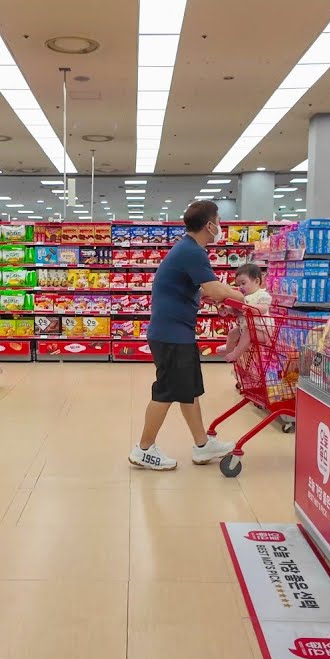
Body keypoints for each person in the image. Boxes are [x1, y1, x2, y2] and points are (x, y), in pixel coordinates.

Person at [130, 200, 246, 471]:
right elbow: (216, 290)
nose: (220, 227)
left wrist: (202, 295)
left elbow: (198, 289)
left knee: (188, 391)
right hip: (171, 334)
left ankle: (202, 445)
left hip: (175, 331)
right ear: (209, 225)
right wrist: (239, 294)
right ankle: (143, 450)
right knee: (167, 391)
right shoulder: (193, 252)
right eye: (218, 221)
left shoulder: (187, 249)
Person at [220, 263, 273, 364]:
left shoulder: (262, 294)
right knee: (232, 333)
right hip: (245, 328)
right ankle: (228, 349)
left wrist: (249, 308)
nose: (240, 287)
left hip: (262, 331)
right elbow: (237, 311)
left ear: (257, 281)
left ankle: (235, 353)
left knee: (248, 333)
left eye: (243, 283)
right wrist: (228, 309)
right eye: (238, 284)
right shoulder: (242, 297)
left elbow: (263, 309)